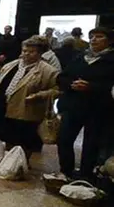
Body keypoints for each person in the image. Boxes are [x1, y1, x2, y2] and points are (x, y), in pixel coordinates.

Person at [48, 27, 114, 180]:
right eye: (92, 37)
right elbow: (62, 77)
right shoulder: (80, 57)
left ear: (109, 41)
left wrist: (91, 87)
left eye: (99, 37)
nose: (94, 40)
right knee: (64, 139)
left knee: (91, 143)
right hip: (73, 105)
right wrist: (71, 84)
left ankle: (85, 174)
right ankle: (66, 171)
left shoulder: (110, 60)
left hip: (98, 108)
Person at [0, 36, 59, 163]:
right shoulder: (12, 65)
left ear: (39, 53)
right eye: (24, 50)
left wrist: (39, 95)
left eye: (31, 52)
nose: (26, 54)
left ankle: (22, 161)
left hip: (28, 107)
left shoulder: (48, 70)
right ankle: (7, 157)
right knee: (7, 134)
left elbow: (57, 89)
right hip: (7, 104)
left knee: (25, 137)